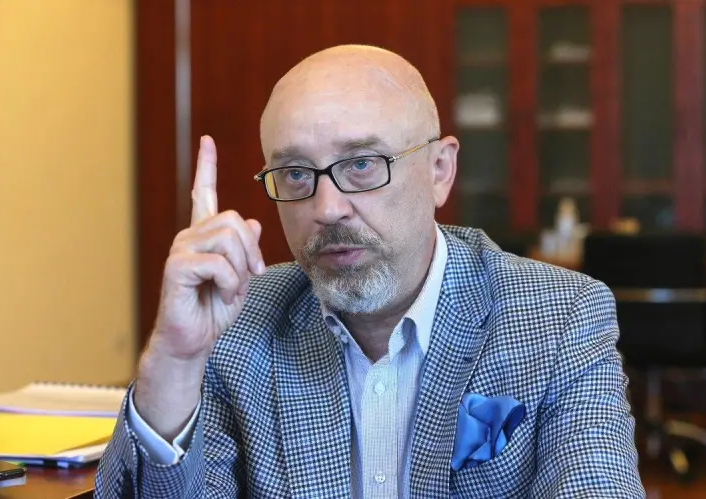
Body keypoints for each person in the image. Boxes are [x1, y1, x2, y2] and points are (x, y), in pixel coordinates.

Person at [94, 44, 645, 498]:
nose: (327, 208)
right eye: (295, 174)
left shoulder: (559, 316)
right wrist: (175, 361)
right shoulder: (239, 323)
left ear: (439, 170)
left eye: (361, 164)